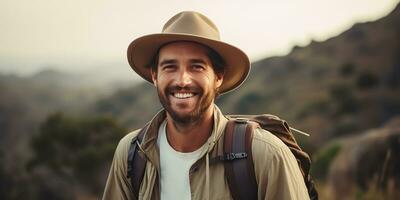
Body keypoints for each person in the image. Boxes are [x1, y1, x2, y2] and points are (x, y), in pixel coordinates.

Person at [102, 11, 310, 200]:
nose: (182, 80)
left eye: (197, 67)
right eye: (170, 67)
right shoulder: (132, 152)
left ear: (218, 77)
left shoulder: (266, 154)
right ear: (155, 76)